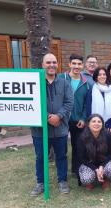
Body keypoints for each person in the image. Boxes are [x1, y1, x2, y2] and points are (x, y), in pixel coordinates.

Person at [30, 53, 73, 196]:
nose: (52, 65)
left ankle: (62, 181)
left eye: (54, 62)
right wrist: (48, 116)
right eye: (48, 62)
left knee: (61, 156)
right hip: (40, 130)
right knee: (41, 157)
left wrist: (59, 116)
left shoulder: (64, 83)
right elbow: (32, 103)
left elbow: (69, 102)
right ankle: (40, 183)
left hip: (60, 128)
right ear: (42, 64)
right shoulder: (34, 82)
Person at [58, 54, 89, 178]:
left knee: (78, 146)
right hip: (62, 119)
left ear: (82, 66)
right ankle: (62, 172)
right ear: (69, 64)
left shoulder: (86, 82)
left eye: (79, 64)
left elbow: (87, 103)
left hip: (78, 120)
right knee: (61, 147)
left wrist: (83, 118)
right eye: (74, 63)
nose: (76, 66)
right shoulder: (61, 78)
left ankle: (76, 170)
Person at [77, 114, 111, 190]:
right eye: (93, 121)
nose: (96, 123)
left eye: (99, 121)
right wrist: (96, 169)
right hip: (88, 164)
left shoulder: (108, 135)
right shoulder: (82, 137)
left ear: (102, 124)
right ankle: (91, 181)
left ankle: (106, 180)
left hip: (104, 163)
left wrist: (102, 166)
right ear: (88, 124)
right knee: (86, 178)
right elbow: (81, 158)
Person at [86, 67, 111, 134]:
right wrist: (90, 124)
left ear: (107, 76)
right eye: (99, 75)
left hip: (109, 123)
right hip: (95, 123)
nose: (102, 76)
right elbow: (88, 109)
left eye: (104, 74)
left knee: (108, 143)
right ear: (96, 77)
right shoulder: (91, 91)